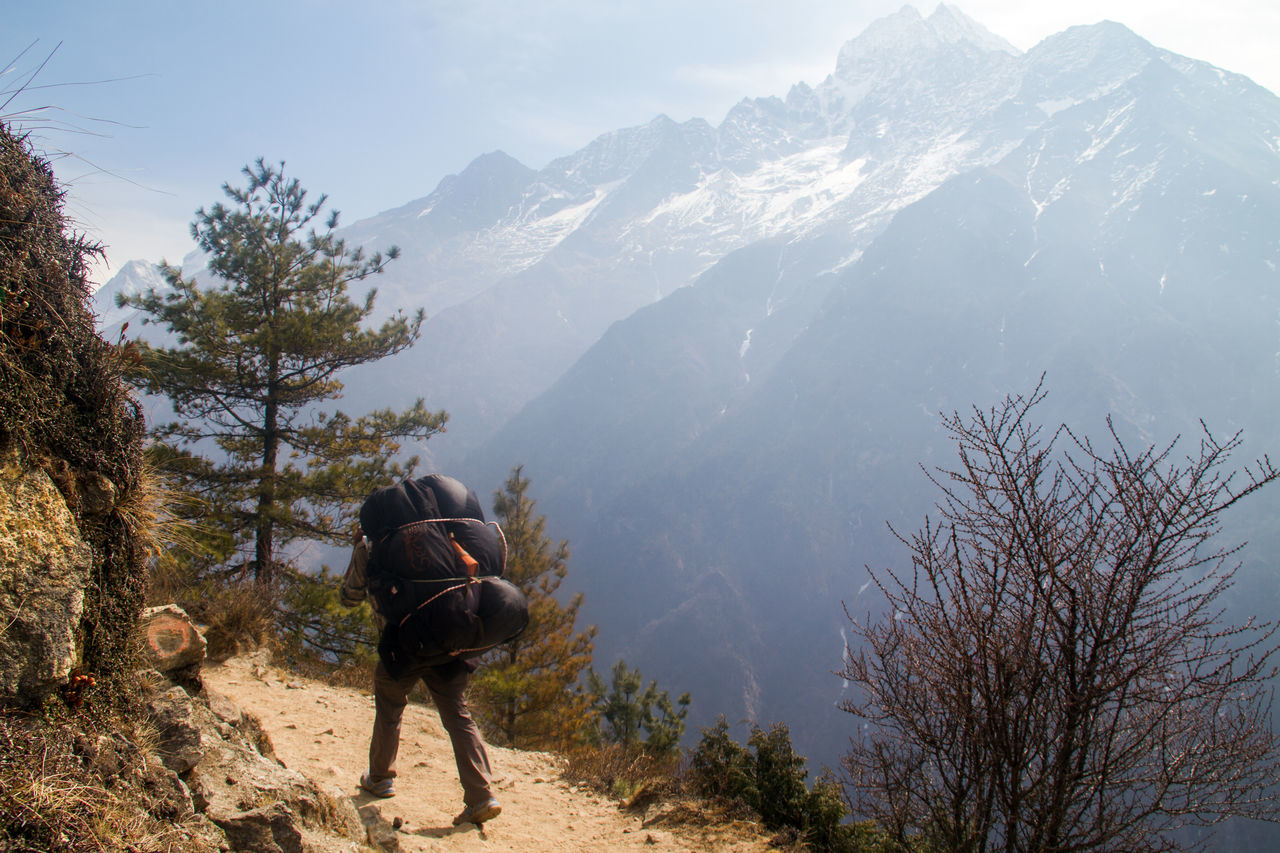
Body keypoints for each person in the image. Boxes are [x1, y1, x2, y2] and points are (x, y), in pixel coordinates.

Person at [340, 522, 502, 826]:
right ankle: (482, 795)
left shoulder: (373, 546)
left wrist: (358, 551)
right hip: (448, 641)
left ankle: (380, 778)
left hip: (403, 645)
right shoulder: (443, 538)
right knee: (458, 714)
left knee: (390, 703)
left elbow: (349, 596)